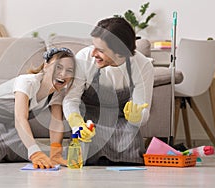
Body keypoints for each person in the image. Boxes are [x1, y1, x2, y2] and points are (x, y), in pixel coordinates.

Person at [63, 17, 154, 165]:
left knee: (130, 138)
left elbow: (144, 113)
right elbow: (71, 100)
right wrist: (77, 124)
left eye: (100, 50)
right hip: (89, 120)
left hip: (121, 122)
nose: (93, 53)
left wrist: (136, 117)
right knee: (81, 147)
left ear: (120, 52)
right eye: (93, 46)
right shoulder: (83, 59)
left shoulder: (142, 66)